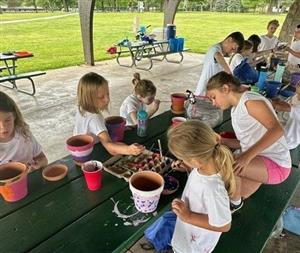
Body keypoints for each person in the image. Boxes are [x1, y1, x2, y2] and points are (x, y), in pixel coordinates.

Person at [206, 72, 291, 212]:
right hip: (260, 162)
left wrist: (246, 157)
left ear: (225, 89)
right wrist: (222, 141)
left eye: (213, 97)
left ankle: (236, 203)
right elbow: (245, 142)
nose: (213, 103)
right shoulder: (236, 109)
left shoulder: (250, 102)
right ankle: (236, 200)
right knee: (228, 193)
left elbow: (277, 130)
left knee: (225, 163)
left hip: (276, 165)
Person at [168, 120, 234, 253]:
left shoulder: (212, 189)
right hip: (188, 233)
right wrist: (187, 168)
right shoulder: (205, 166)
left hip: (196, 245)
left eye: (183, 158)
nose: (181, 160)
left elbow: (225, 225)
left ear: (195, 160)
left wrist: (188, 216)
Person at [74, 72, 144, 156]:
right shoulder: (95, 118)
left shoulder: (82, 108)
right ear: (88, 98)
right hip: (92, 155)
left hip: (78, 152)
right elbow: (110, 148)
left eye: (107, 94)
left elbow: (94, 129)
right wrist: (129, 150)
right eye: (101, 97)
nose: (107, 99)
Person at [0, 91, 48, 170]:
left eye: (7, 120)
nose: (3, 127)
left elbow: (43, 159)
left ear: (14, 116)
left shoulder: (24, 133)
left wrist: (37, 165)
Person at [195, 31, 244, 96]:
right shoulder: (215, 49)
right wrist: (230, 75)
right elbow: (217, 55)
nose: (232, 52)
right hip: (204, 91)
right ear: (229, 39)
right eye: (233, 48)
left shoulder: (219, 50)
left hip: (211, 90)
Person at [271, 82, 300, 149]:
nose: (297, 85)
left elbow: (281, 107)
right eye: (298, 83)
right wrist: (280, 101)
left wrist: (271, 102)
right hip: (281, 130)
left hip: (289, 141)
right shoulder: (296, 96)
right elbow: (287, 104)